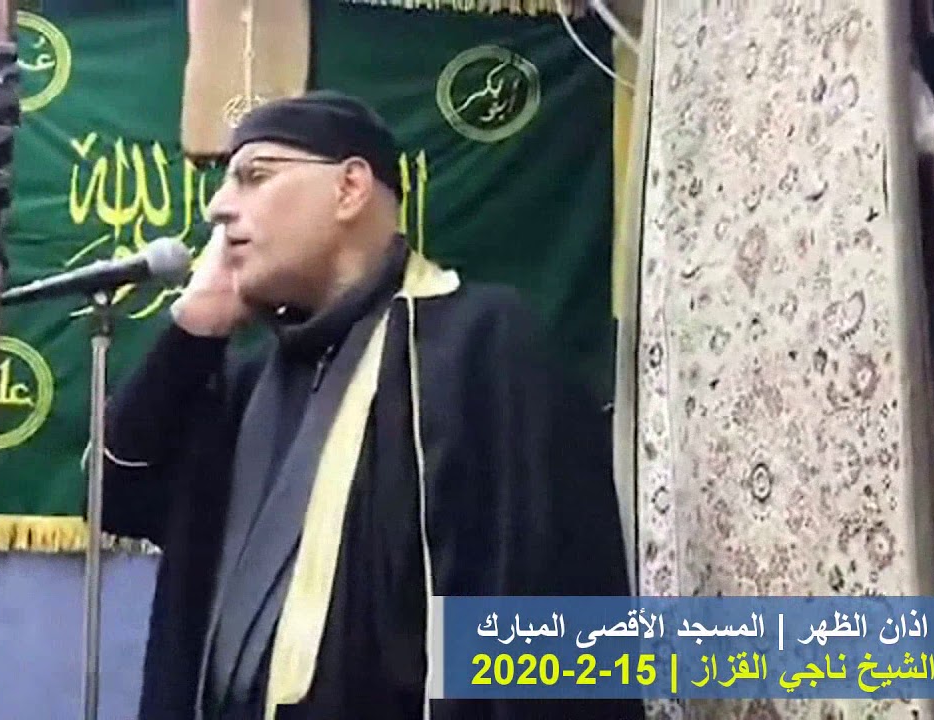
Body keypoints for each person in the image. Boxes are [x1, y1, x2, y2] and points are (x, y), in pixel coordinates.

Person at [101, 90, 638, 720]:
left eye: (254, 176)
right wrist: (196, 326)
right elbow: (117, 494)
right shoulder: (248, 383)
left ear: (350, 189)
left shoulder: (478, 347)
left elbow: (563, 610)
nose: (219, 208)